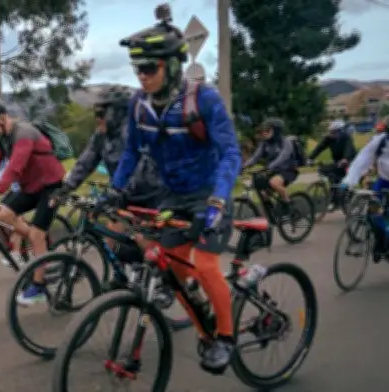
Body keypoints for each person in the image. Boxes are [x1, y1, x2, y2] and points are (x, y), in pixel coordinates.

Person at [113, 18, 241, 373]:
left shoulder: (205, 99)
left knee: (204, 264)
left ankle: (226, 337)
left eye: (148, 67)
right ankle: (206, 329)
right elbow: (130, 154)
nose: (141, 75)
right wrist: (114, 191)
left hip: (209, 193)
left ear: (171, 66)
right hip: (174, 196)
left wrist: (218, 200)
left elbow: (231, 154)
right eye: (136, 67)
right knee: (172, 271)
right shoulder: (139, 105)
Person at [54, 86, 166, 287]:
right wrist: (66, 186)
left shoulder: (131, 132)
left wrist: (119, 193)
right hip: (123, 195)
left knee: (143, 240)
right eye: (95, 112)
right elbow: (86, 161)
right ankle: (123, 276)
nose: (97, 118)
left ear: (118, 112)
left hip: (150, 194)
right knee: (111, 240)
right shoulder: (102, 135)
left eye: (101, 113)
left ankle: (162, 281)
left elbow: (141, 169)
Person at [0, 102, 65, 306]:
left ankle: (38, 287)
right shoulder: (3, 140)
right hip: (31, 187)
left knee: (37, 233)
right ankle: (34, 242)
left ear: (3, 119)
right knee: (4, 215)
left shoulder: (24, 133)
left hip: (50, 186)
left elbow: (15, 167)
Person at [341, 124, 389, 261]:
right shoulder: (381, 141)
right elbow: (363, 158)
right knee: (374, 211)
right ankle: (380, 242)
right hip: (383, 182)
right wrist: (349, 180)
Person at [242, 118, 299, 208]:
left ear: (276, 130)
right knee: (262, 191)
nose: (264, 133)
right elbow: (255, 157)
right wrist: (244, 166)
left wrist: (270, 166)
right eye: (264, 130)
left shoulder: (285, 142)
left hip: (288, 170)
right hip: (273, 170)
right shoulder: (264, 143)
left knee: (274, 183)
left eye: (268, 130)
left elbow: (283, 157)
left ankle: (289, 204)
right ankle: (272, 215)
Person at [307, 119, 356, 210]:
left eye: (333, 132)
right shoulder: (329, 138)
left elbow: (348, 149)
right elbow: (320, 147)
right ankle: (335, 200)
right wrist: (310, 158)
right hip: (337, 161)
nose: (331, 134)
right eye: (330, 132)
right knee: (330, 175)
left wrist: (345, 159)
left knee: (341, 177)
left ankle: (347, 195)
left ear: (340, 131)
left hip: (350, 160)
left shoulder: (346, 137)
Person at [0, 159, 23, 267]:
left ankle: (16, 254)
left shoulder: (18, 147)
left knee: (14, 216)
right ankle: (10, 245)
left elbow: (9, 171)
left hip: (23, 187)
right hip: (11, 188)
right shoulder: (3, 149)